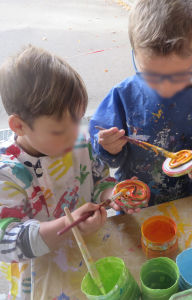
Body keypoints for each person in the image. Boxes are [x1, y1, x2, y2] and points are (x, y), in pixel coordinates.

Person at [0, 45, 116, 299]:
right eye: (60, 130)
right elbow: (7, 242)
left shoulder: (76, 140)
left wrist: (113, 193)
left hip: (91, 254)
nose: (75, 134)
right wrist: (67, 225)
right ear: (19, 125)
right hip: (40, 278)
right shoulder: (7, 173)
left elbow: (100, 178)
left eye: (79, 120)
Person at [90, 0, 192, 205]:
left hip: (184, 205)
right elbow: (103, 158)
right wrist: (109, 148)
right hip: (133, 206)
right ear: (135, 51)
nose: (165, 87)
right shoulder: (121, 98)